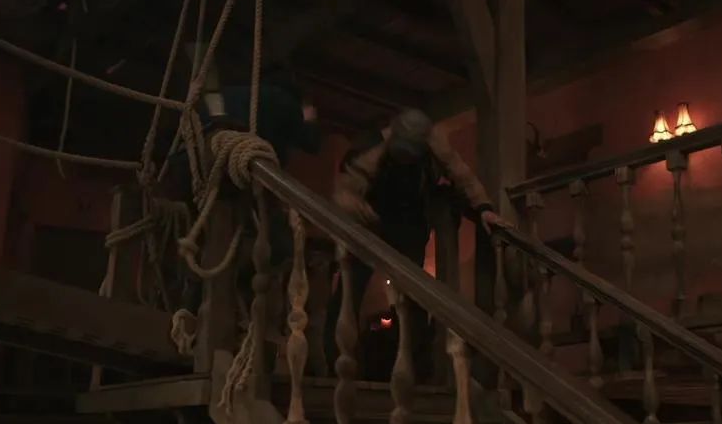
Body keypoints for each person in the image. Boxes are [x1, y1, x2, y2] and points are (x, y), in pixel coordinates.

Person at [329, 108, 509, 366]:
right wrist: (362, 211)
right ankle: (332, 359)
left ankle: (418, 362)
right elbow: (346, 189)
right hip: (371, 225)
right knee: (349, 290)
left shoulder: (435, 146)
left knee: (414, 296)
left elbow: (462, 175)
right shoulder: (375, 149)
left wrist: (484, 208)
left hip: (410, 226)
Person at [164, 68, 323, 311]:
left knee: (206, 237)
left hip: (191, 168)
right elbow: (312, 143)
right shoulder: (284, 101)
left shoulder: (233, 94)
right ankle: (232, 297)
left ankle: (191, 304)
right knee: (281, 243)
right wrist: (309, 117)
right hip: (231, 175)